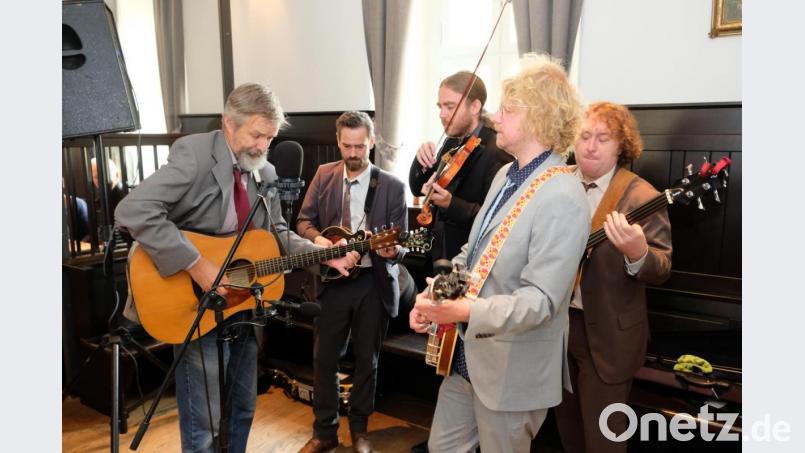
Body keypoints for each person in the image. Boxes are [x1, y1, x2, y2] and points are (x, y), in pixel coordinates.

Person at [115, 83, 360, 453]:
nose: (262, 146)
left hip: (243, 302)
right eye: (256, 134)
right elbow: (133, 210)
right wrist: (197, 265)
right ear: (229, 123)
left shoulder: (265, 171)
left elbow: (276, 235)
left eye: (270, 137)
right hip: (191, 300)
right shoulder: (194, 155)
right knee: (206, 421)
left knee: (243, 408)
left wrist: (323, 253)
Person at [409, 54, 590, 452]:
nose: (495, 118)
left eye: (508, 110)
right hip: (466, 356)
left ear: (537, 119)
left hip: (512, 371)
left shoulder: (563, 195)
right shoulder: (506, 175)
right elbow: (470, 255)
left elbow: (541, 301)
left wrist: (465, 311)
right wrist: (434, 298)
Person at [553, 102, 672, 453]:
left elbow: (663, 266)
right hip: (556, 328)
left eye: (602, 138)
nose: (590, 146)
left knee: (604, 441)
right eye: (584, 136)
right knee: (567, 430)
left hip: (608, 339)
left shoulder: (641, 196)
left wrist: (638, 253)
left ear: (620, 145)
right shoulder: (555, 183)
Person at [295, 111, 407, 453]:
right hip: (332, 281)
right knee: (324, 358)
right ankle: (324, 432)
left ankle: (360, 430)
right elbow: (303, 222)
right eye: (347, 145)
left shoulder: (392, 186)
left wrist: (391, 251)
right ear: (338, 142)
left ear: (371, 142)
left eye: (361, 146)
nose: (354, 153)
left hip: (372, 283)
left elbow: (401, 246)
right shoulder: (323, 175)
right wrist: (324, 245)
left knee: (366, 360)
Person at [408, 71, 512, 262]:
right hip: (437, 251)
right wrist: (420, 160)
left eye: (450, 107)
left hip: (467, 258)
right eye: (440, 107)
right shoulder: (451, 143)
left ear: (475, 106)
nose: (442, 114)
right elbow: (418, 188)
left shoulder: (496, 150)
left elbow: (495, 219)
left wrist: (450, 204)